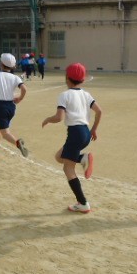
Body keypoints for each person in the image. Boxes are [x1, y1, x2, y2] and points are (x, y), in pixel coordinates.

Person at [42, 63, 101, 214]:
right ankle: (83, 158)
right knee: (59, 157)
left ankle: (83, 203)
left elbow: (59, 117)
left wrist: (48, 119)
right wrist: (93, 129)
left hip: (75, 134)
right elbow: (99, 111)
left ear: (67, 78)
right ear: (82, 79)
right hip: (85, 133)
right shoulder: (86, 94)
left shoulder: (65, 95)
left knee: (68, 168)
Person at [0, 53, 28, 158]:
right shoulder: (15, 77)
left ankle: (18, 143)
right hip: (11, 106)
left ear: (1, 64)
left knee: (5, 133)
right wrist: (20, 98)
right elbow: (24, 89)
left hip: (0, 106)